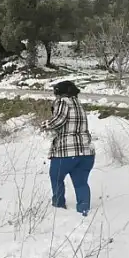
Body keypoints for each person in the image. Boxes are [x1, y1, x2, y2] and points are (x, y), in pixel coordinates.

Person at [41, 80, 96, 216]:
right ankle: (83, 209)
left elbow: (58, 120)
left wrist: (45, 124)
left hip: (66, 152)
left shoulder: (63, 101)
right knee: (81, 182)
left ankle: (58, 206)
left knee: (56, 177)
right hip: (86, 152)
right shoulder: (79, 104)